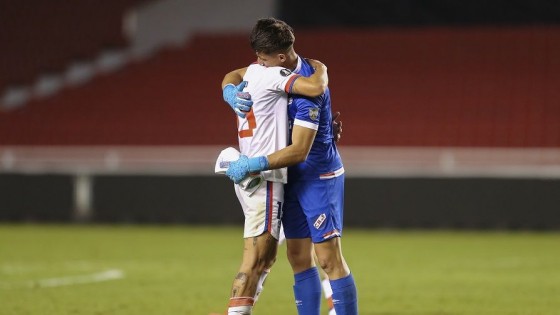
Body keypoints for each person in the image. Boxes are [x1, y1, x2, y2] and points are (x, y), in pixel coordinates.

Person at [223, 18, 358, 315]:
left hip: (317, 175)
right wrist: (230, 92)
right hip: (290, 177)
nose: (257, 63)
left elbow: (299, 151)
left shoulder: (308, 91)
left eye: (262, 58)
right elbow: (234, 74)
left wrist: (253, 164)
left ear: (281, 57)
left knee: (327, 258)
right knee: (297, 257)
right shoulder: (270, 71)